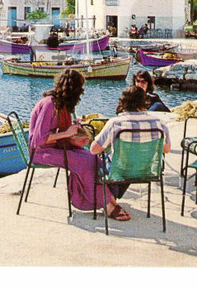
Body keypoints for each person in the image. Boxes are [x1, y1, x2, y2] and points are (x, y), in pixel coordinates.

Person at [29, 69, 129, 221]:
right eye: (80, 89)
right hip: (40, 152)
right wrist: (67, 134)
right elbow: (39, 140)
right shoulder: (49, 104)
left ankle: (105, 198)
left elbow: (65, 137)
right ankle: (108, 204)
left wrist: (76, 140)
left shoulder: (63, 105)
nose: (81, 94)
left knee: (93, 157)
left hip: (56, 147)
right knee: (84, 161)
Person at [90, 85, 172, 200]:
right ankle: (113, 197)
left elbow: (94, 149)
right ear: (145, 102)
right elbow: (166, 149)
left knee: (96, 160)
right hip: (146, 170)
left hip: (121, 171)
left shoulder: (116, 123)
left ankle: (107, 199)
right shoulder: (159, 123)